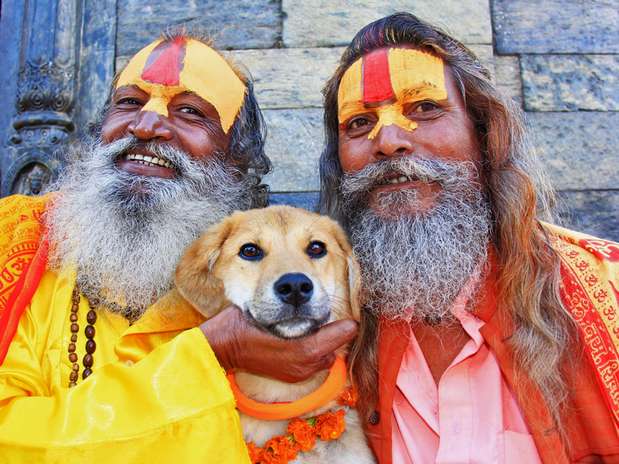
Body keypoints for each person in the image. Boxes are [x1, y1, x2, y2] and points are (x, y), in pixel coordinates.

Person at [0, 29, 357, 462]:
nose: (146, 125)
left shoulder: (280, 282)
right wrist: (209, 354)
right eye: (129, 102)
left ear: (235, 161)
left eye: (189, 112)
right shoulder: (14, 238)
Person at [318, 12, 619, 463]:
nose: (389, 140)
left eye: (424, 108)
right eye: (359, 123)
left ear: (483, 134)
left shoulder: (607, 287)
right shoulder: (313, 324)